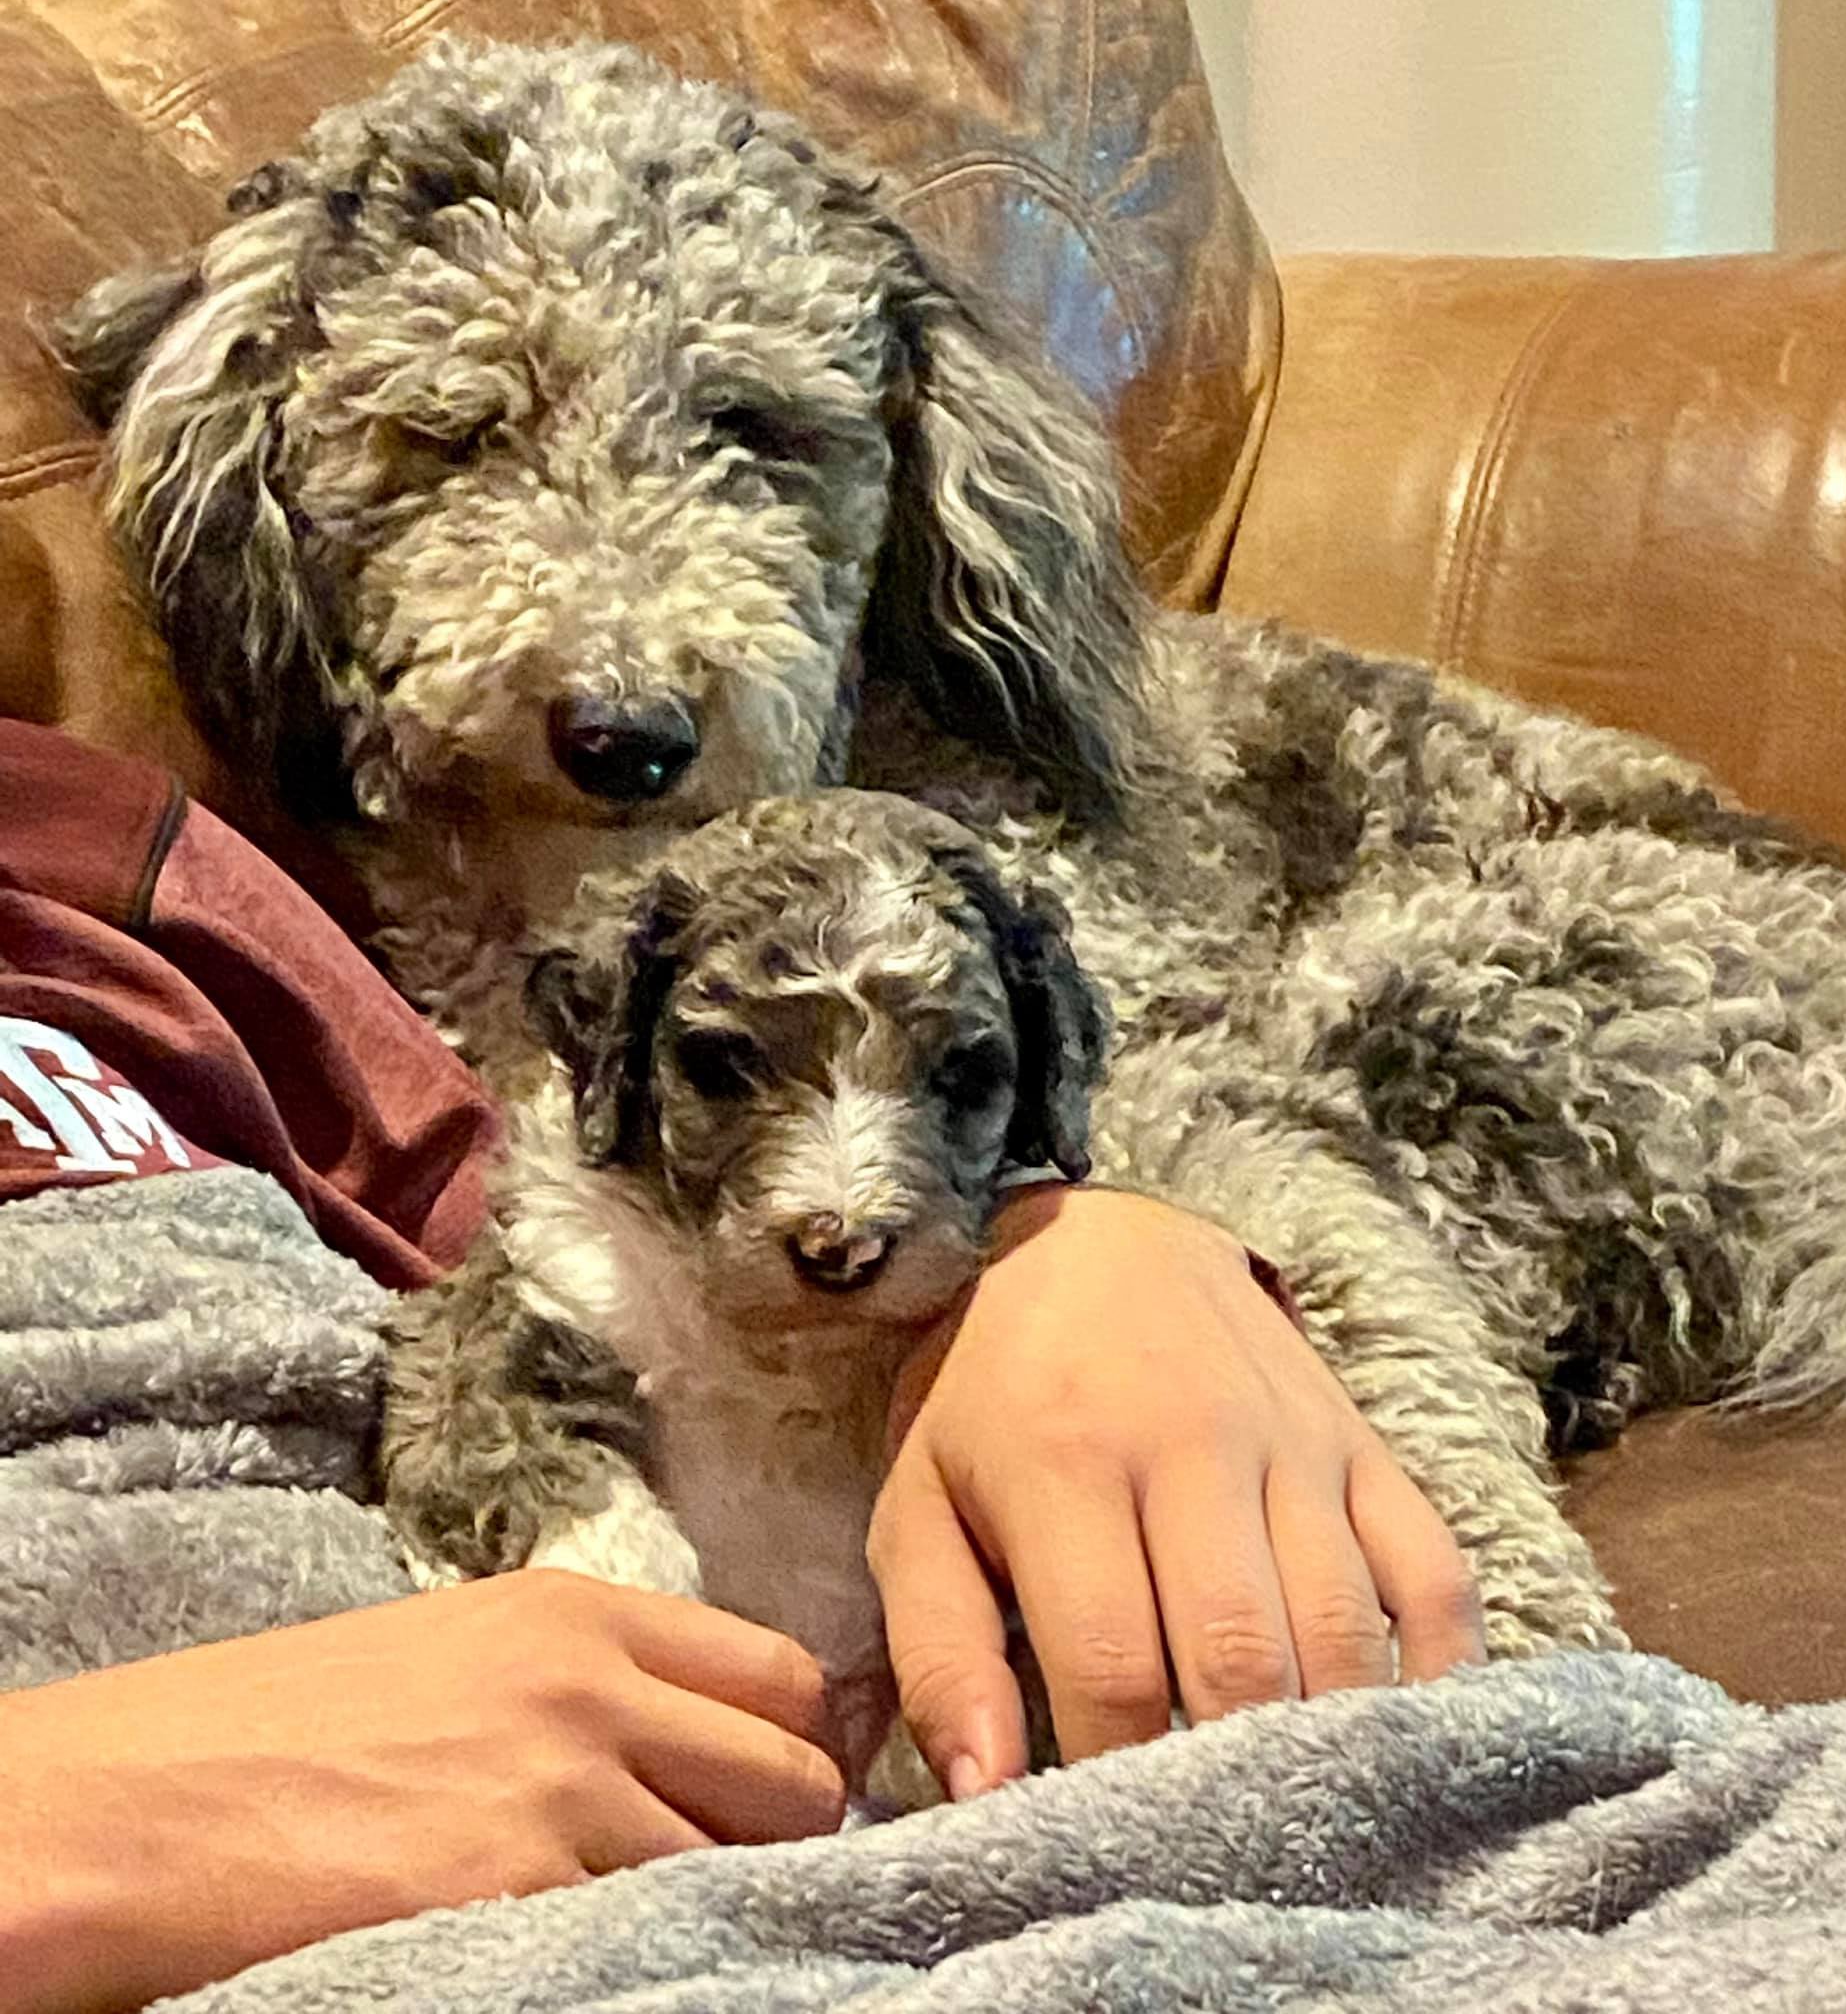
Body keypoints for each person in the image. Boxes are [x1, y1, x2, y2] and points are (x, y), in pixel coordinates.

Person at [0, 718, 1485, 2012]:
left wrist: (1092, 1249)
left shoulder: (111, 857)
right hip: (360, 1836)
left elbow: (455, 1246)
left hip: (762, 1793)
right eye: (723, 1067)